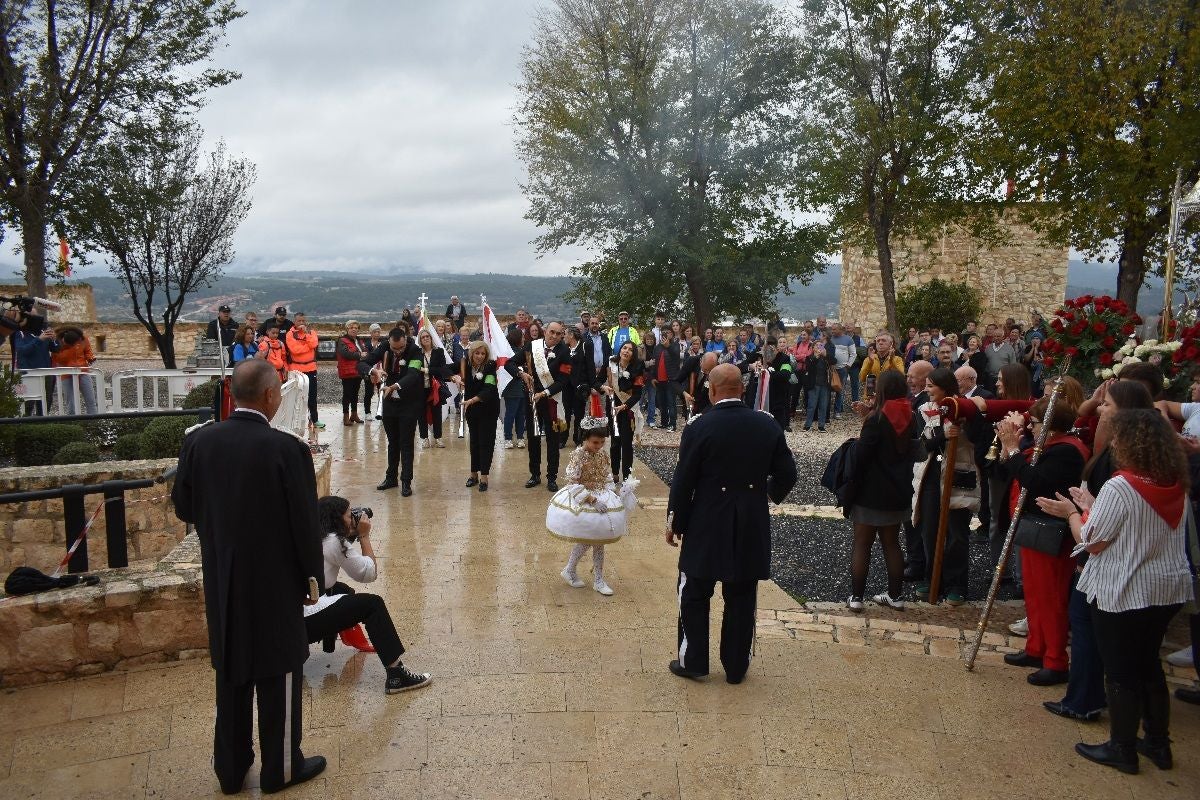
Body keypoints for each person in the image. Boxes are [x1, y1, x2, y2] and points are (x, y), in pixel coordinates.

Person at [171, 359, 327, 794]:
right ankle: (281, 767)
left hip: (223, 578)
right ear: (271, 396)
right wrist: (312, 580)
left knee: (232, 666)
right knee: (279, 668)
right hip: (274, 582)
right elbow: (303, 523)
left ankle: (231, 767)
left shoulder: (199, 443)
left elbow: (184, 506)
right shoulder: (286, 449)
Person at [1036, 409, 1193, 774]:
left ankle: (1122, 747)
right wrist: (1091, 506)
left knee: (1121, 671)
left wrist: (1071, 513)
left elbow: (1092, 542)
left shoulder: (1121, 485)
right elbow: (1136, 524)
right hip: (1165, 586)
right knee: (1149, 664)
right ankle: (1158, 742)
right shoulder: (1173, 482)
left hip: (1125, 588)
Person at [665, 364, 798, 683]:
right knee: (741, 594)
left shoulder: (699, 426)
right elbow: (787, 475)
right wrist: (760, 496)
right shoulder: (766, 425)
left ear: (711, 391)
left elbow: (684, 480)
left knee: (694, 591)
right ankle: (736, 666)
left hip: (706, 521)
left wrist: (675, 521)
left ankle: (693, 660)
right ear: (743, 389)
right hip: (750, 522)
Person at [1041, 380, 1155, 724]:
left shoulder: (1123, 465)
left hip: (1107, 563)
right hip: (1125, 559)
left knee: (1091, 632)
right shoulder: (1142, 455)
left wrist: (1074, 513)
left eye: (1106, 405)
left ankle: (1085, 702)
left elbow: (1096, 538)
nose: (1099, 410)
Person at [996, 394, 1088, 686]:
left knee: (1051, 599)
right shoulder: (1049, 445)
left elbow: (1035, 480)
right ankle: (1036, 647)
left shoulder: (1068, 451)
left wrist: (1012, 451)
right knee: (1035, 594)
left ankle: (1056, 660)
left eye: (1035, 423)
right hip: (1035, 528)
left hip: (1052, 533)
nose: (1032, 428)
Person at [309, 496, 432, 693]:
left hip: (287, 618)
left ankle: (318, 646)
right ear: (337, 519)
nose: (353, 519)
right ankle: (396, 676)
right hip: (304, 620)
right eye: (350, 516)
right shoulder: (334, 541)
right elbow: (368, 574)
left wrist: (349, 534)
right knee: (373, 604)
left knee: (341, 590)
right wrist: (364, 536)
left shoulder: (313, 534)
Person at [549, 399, 641, 596]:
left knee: (599, 540)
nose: (599, 446)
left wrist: (616, 493)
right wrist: (591, 500)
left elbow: (605, 476)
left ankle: (589, 576)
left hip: (602, 496)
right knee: (592, 539)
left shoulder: (602, 455)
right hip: (584, 499)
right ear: (585, 439)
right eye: (595, 442)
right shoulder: (577, 455)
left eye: (602, 442)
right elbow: (572, 482)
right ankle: (580, 573)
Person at [845, 370, 919, 611]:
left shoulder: (876, 419)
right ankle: (895, 596)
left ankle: (856, 598)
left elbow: (861, 456)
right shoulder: (911, 416)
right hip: (897, 490)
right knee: (892, 544)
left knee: (862, 543)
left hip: (870, 491)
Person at [911, 367, 979, 606]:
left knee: (956, 532)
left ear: (945, 388)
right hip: (931, 477)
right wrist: (942, 435)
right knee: (930, 532)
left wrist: (961, 426)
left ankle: (956, 584)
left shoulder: (966, 409)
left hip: (957, 475)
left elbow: (975, 439)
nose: (926, 390)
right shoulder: (923, 410)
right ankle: (933, 579)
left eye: (931, 386)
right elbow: (920, 447)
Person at [508, 320, 570, 491]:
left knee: (553, 440)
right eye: (552, 332)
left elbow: (563, 381)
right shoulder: (532, 346)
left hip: (552, 401)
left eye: (558, 334)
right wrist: (521, 374)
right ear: (545, 331)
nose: (555, 336)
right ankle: (534, 474)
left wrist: (544, 393)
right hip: (532, 401)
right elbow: (509, 363)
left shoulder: (564, 352)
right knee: (533, 438)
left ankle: (552, 477)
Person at [364, 325, 424, 496]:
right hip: (389, 403)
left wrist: (395, 386)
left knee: (406, 443)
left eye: (400, 348)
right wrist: (373, 370)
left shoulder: (415, 350)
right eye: (393, 348)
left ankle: (406, 481)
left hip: (408, 403)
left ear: (406, 341)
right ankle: (391, 478)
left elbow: (413, 374)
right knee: (393, 443)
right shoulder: (383, 347)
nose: (397, 352)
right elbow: (362, 363)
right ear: (389, 342)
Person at [457, 341, 501, 491]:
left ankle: (484, 476)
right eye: (477, 353)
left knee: (485, 442)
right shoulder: (465, 364)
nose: (480, 356)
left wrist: (474, 399)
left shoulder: (490, 366)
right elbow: (442, 369)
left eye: (483, 353)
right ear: (472, 353)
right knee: (474, 442)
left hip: (487, 408)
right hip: (471, 410)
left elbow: (489, 388)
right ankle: (473, 474)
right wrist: (454, 377)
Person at [602, 340, 646, 482]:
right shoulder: (610, 363)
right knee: (615, 441)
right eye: (624, 348)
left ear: (633, 354)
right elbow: (597, 382)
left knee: (626, 444)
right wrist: (603, 388)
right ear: (620, 350)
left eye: (630, 350)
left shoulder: (638, 367)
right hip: (613, 408)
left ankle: (627, 477)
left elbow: (638, 394)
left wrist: (625, 406)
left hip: (628, 410)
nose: (626, 351)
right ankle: (614, 473)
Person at [414, 329, 450, 448]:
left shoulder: (438, 352)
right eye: (423, 337)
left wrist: (427, 370)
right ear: (420, 340)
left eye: (427, 336)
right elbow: (413, 369)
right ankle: (424, 438)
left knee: (436, 412)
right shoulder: (417, 353)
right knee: (421, 413)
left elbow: (442, 369)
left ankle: (438, 437)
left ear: (431, 338)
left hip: (435, 387)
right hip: (420, 388)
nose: (425, 338)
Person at [286, 313, 322, 430]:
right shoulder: (290, 334)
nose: (301, 323)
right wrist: (308, 347)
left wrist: (306, 336)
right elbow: (295, 350)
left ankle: (314, 419)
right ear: (294, 322)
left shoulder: (311, 333)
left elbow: (314, 343)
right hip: (296, 370)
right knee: (297, 396)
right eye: (299, 321)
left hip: (311, 369)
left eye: (303, 321)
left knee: (312, 395)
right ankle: (294, 421)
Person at [51, 326, 97, 415]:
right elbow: (57, 359)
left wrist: (90, 358)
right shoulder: (58, 343)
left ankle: (94, 422)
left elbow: (87, 350)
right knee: (71, 403)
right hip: (65, 372)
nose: (77, 344)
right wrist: (68, 348)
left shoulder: (83, 338)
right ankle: (73, 422)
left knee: (90, 400)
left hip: (82, 370)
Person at [335, 320, 367, 426]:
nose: (354, 329)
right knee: (347, 394)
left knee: (355, 394)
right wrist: (359, 355)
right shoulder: (342, 340)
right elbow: (345, 353)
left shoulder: (359, 340)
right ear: (347, 329)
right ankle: (345, 416)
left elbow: (364, 352)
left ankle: (354, 414)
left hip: (358, 371)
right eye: (351, 327)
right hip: (347, 371)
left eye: (356, 328)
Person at [501, 328, 528, 449]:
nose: (524, 339)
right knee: (510, 414)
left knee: (521, 415)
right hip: (511, 388)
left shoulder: (523, 350)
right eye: (522, 336)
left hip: (522, 387)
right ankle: (507, 438)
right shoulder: (508, 351)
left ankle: (521, 437)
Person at [651, 326, 683, 431]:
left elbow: (676, 357)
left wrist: (668, 346)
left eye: (668, 332)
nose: (666, 334)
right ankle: (664, 423)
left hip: (671, 380)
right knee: (662, 403)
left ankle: (672, 424)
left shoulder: (675, 345)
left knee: (671, 403)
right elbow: (654, 364)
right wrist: (653, 377)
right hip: (659, 380)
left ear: (672, 334)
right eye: (664, 332)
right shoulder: (657, 347)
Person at [858, 332, 905, 400]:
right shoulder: (869, 359)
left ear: (891, 344)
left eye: (883, 340)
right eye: (878, 341)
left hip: (889, 397)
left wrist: (892, 361)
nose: (880, 343)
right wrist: (870, 362)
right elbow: (862, 378)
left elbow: (901, 377)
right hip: (871, 397)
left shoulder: (897, 359)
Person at [803, 334, 832, 432]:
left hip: (824, 384)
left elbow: (834, 361)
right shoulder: (809, 358)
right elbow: (809, 368)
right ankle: (808, 425)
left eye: (821, 345)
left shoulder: (825, 358)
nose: (819, 347)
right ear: (813, 348)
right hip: (814, 384)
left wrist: (826, 355)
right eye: (817, 345)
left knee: (823, 406)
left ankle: (821, 426)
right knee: (811, 405)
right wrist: (816, 357)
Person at [362, 323, 384, 419]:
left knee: (382, 392)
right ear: (371, 333)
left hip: (381, 371)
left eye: (378, 331)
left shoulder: (383, 344)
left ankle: (381, 411)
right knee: (369, 392)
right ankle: (367, 412)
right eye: (375, 331)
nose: (377, 333)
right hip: (370, 371)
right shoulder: (366, 345)